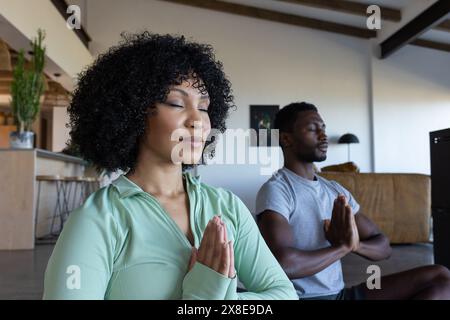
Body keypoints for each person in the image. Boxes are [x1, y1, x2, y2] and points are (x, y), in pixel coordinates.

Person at [43, 32, 297, 300]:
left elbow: (284, 295)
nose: (197, 120)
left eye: (205, 107)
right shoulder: (98, 220)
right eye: (177, 103)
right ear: (133, 112)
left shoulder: (227, 207)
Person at [256, 102, 450, 300]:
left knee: (440, 276)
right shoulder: (277, 190)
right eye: (312, 129)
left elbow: (383, 247)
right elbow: (284, 264)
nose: (323, 136)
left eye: (323, 128)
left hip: (339, 295)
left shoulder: (334, 190)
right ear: (287, 139)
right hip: (305, 298)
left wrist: (356, 245)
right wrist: (342, 247)